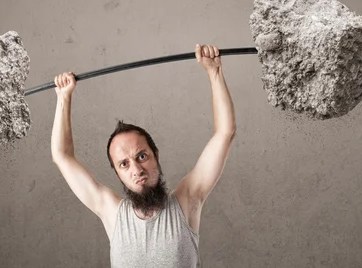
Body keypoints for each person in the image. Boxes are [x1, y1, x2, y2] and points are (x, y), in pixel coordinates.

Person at [51, 44, 237, 267]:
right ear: (118, 173)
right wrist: (64, 97)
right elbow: (62, 156)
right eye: (124, 164)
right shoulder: (111, 212)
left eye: (141, 156)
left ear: (155, 155)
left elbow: (225, 133)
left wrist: (214, 72)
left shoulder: (187, 201)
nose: (136, 170)